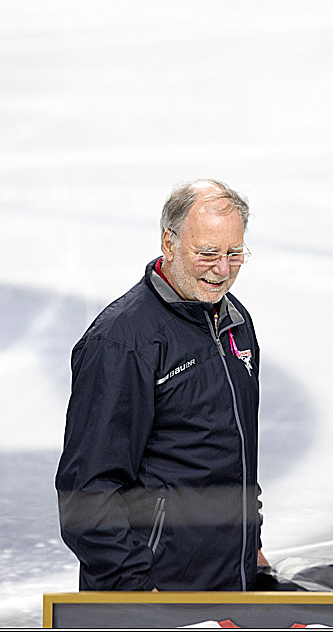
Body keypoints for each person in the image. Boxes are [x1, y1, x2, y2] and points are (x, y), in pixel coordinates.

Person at [56, 179, 266, 591]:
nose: (223, 270)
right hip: (155, 591)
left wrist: (251, 545)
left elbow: (234, 457)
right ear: (169, 243)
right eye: (208, 253)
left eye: (234, 253)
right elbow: (87, 490)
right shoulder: (121, 342)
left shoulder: (235, 322)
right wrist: (133, 588)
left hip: (228, 583)